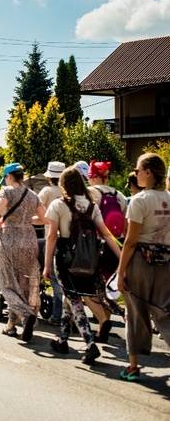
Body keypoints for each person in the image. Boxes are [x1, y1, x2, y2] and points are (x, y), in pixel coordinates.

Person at [43, 166, 122, 365]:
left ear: (63, 184)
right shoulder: (91, 206)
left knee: (73, 298)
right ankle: (62, 339)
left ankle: (89, 343)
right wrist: (122, 257)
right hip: (90, 259)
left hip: (65, 258)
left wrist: (46, 265)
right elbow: (105, 234)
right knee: (72, 295)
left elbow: (52, 236)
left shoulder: (58, 205)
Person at [116, 153, 170, 382]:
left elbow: (130, 240)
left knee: (136, 312)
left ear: (148, 172)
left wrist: (121, 271)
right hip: (166, 260)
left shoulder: (139, 200)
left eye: (138, 170)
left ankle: (134, 365)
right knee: (165, 313)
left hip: (141, 260)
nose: (136, 173)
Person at [0, 163, 47, 341]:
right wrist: (27, 219)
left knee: (6, 283)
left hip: (10, 238)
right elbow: (44, 218)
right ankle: (11, 325)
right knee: (22, 283)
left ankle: (25, 313)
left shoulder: (6, 191)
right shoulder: (33, 195)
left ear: (8, 176)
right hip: (29, 239)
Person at [86, 160, 129, 339]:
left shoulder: (90, 193)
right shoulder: (118, 195)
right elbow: (125, 224)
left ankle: (103, 321)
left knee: (91, 287)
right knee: (109, 285)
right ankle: (105, 322)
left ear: (93, 177)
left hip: (95, 244)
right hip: (115, 244)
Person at [37, 161, 66, 325]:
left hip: (51, 235)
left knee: (54, 279)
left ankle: (57, 315)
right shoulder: (67, 191)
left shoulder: (47, 191)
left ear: (50, 178)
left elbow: (37, 208)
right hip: (67, 238)